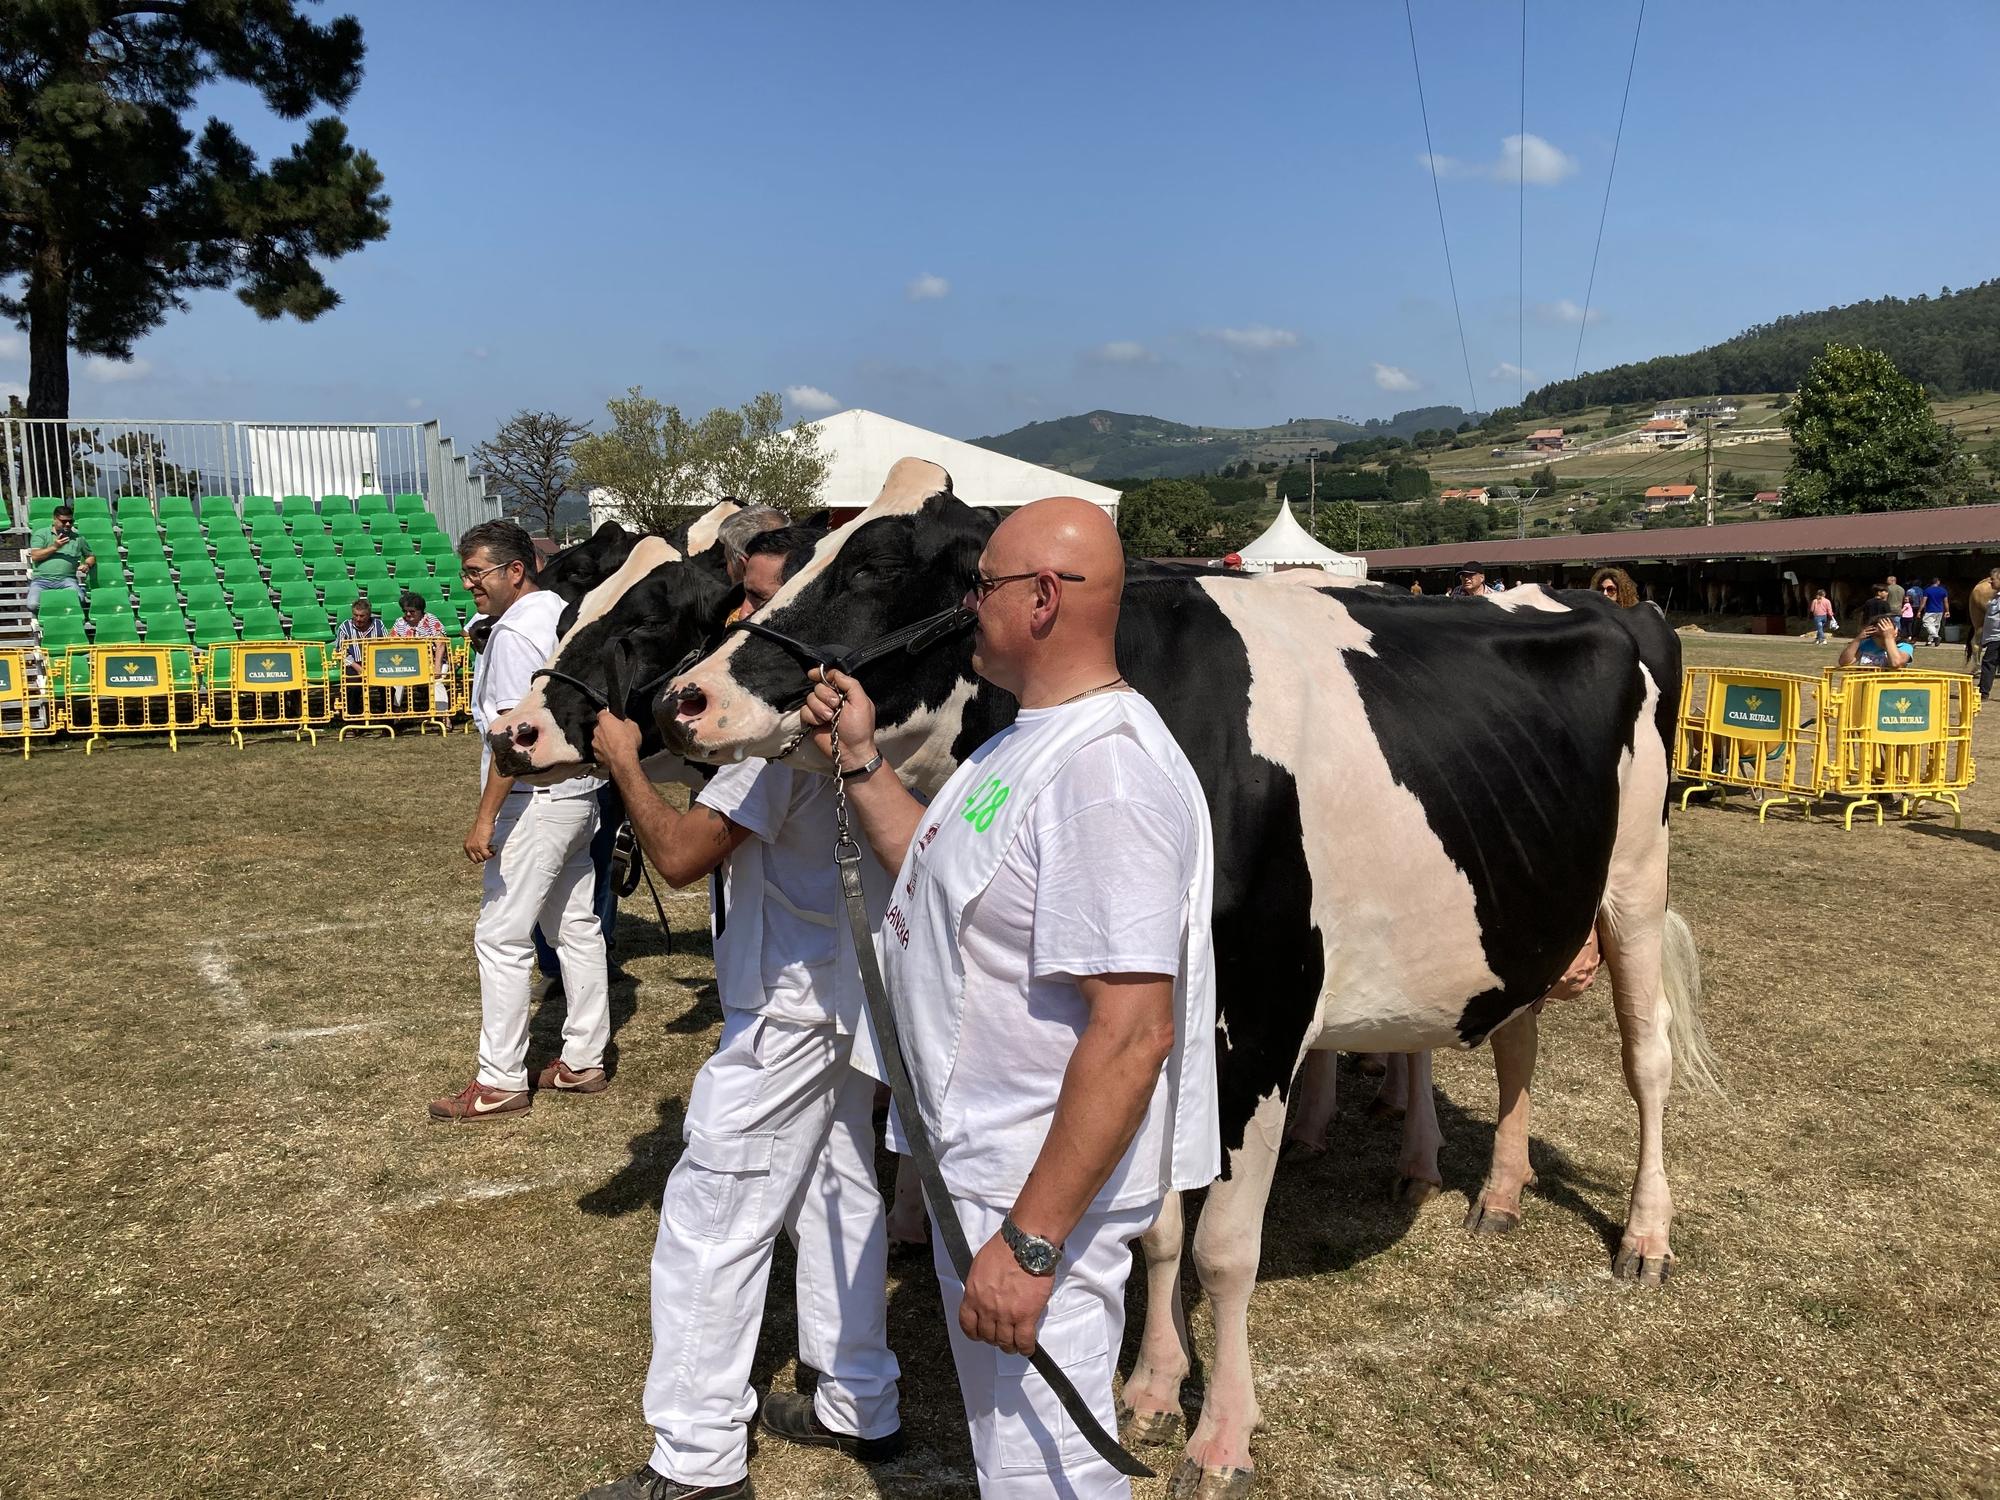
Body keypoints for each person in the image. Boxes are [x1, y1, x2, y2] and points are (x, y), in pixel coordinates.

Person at [799, 496, 1218, 1499]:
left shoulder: (1103, 776)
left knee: (1046, 1470)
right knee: (1010, 1451)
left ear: (1040, 599)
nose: (965, 602)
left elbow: (1131, 1032)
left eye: (980, 584)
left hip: (1035, 1188)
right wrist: (860, 760)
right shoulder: (1024, 742)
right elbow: (940, 874)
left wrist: (1031, 1242)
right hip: (987, 1166)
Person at [581, 525, 902, 1500]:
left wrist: (623, 761)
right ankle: (858, 1398)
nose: (749, 623)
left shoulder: (775, 741)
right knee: (837, 1192)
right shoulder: (856, 717)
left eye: (768, 604)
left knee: (709, 1216)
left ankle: (696, 1459)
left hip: (788, 1010)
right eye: (747, 604)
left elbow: (679, 856)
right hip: (850, 993)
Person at [432, 520, 609, 1122]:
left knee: (502, 937)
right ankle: (584, 1056)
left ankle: (501, 1078)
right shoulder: (563, 614)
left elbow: (515, 735)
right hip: (579, 791)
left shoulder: (513, 634)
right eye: (466, 572)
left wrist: (484, 818)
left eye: (478, 572)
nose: (469, 584)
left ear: (516, 570)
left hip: (534, 800)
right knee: (575, 926)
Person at [389, 590, 450, 712]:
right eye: (405, 611)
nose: (408, 614)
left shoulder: (431, 620)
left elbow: (440, 644)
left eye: (412, 611)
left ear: (420, 610)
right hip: (407, 663)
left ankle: (443, 715)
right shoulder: (399, 623)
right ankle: (393, 714)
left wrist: (437, 668)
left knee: (437, 682)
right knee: (396, 681)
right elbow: (392, 644)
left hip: (432, 661)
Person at [27, 503, 95, 613]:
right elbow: (35, 556)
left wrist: (87, 564)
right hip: (42, 580)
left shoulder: (78, 538)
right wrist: (55, 547)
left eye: (70, 521)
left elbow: (90, 556)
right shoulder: (42, 534)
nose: (68, 524)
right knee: (32, 605)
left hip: (66, 580)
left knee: (79, 600)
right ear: (54, 519)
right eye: (63, 521)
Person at [333, 597, 388, 715]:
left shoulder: (379, 625)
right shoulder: (345, 627)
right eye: (355, 615)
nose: (358, 619)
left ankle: (388, 720)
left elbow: (386, 647)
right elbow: (341, 652)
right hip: (353, 664)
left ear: (368, 615)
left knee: (388, 687)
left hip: (376, 664)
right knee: (353, 687)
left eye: (361, 616)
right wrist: (358, 667)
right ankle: (353, 722)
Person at [1839, 602, 1915, 671]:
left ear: (1895, 633)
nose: (1883, 639)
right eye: (1878, 636)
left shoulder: (1904, 647)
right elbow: (1844, 662)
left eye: (1886, 635)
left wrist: (1888, 638)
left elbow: (1896, 663)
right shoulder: (1867, 644)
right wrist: (1857, 640)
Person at [1978, 585, 2000, 698]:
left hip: (1997, 637)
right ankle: (1983, 689)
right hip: (1993, 637)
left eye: (1993, 579)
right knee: (1989, 662)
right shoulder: (1996, 597)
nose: (1990, 582)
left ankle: (1983, 692)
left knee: (1988, 662)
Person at [1921, 576, 1949, 646]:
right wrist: (1947, 611)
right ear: (1938, 582)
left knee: (1926, 623)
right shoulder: (1943, 590)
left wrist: (1919, 611)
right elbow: (1946, 602)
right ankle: (1930, 641)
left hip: (1930, 610)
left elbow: (1923, 602)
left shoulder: (1927, 590)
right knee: (1936, 625)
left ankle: (1936, 637)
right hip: (1940, 610)